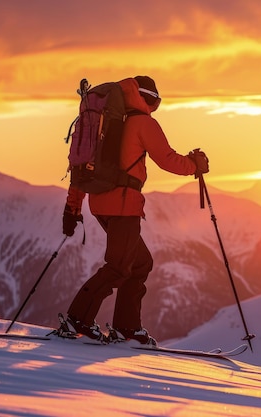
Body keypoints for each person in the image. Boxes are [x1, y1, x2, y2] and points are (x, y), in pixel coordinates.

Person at [60, 75, 209, 345]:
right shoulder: (142, 123)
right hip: (124, 204)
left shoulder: (106, 123)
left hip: (101, 204)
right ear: (148, 99)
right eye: (155, 101)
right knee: (119, 267)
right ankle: (79, 320)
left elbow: (82, 170)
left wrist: (72, 209)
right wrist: (194, 165)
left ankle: (126, 328)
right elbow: (167, 160)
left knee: (139, 263)